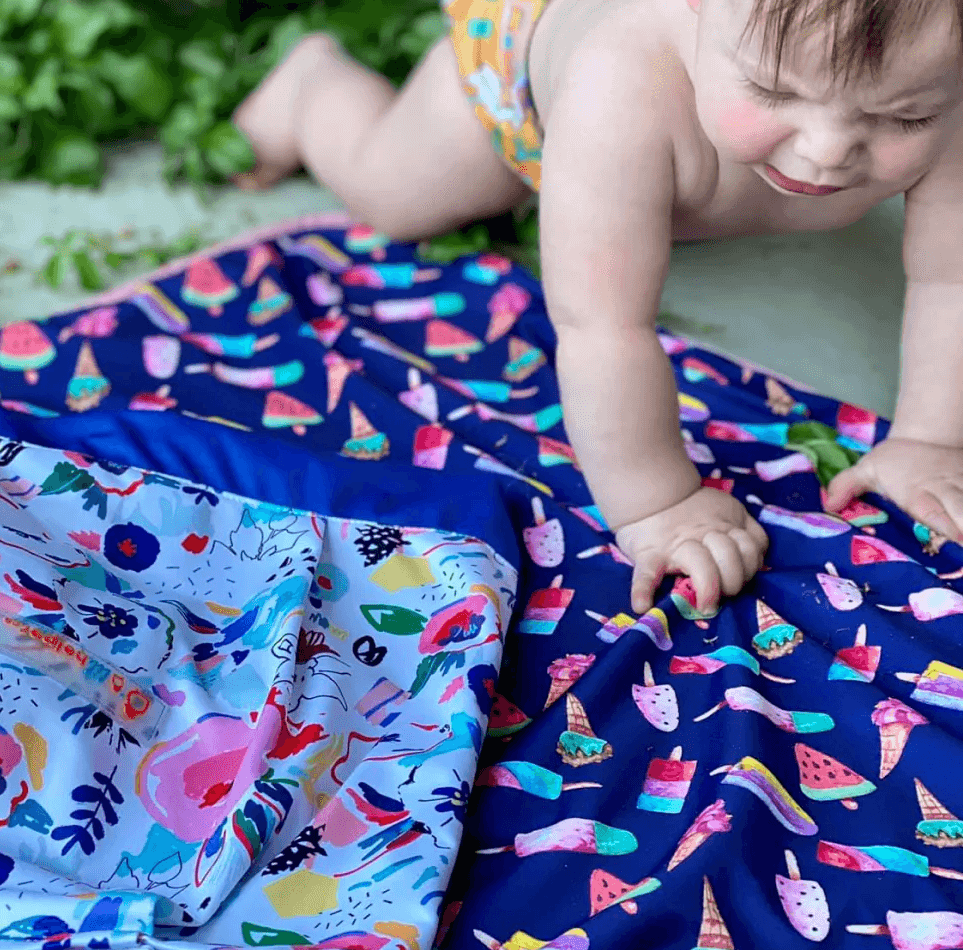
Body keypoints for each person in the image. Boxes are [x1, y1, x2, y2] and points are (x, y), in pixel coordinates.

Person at [233, 0, 963, 614]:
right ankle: (309, 88)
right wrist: (657, 504)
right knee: (391, 192)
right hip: (524, 59)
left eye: (902, 119)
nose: (827, 151)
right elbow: (602, 327)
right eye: (774, 90)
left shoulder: (945, 82)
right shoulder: (618, 88)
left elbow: (950, 276)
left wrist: (930, 437)